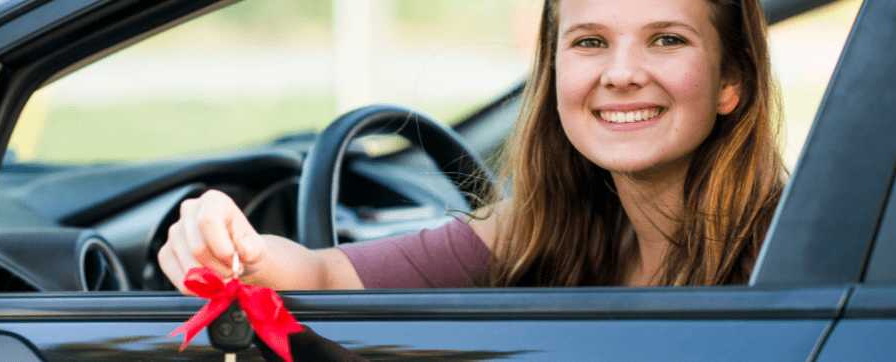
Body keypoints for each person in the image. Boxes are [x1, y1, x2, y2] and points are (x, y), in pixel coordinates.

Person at [159, 0, 784, 293]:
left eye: (667, 40)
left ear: (733, 80)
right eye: (590, 42)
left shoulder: (790, 256)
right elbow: (323, 276)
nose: (620, 73)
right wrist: (230, 244)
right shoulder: (545, 232)